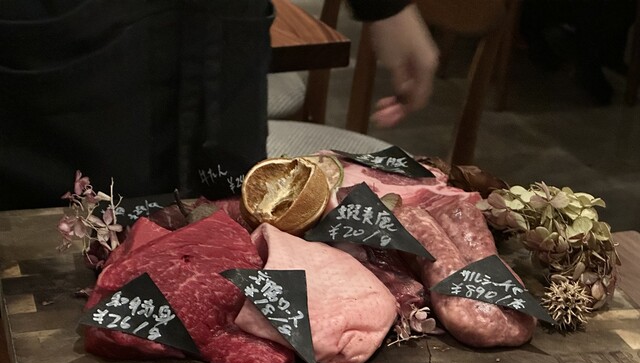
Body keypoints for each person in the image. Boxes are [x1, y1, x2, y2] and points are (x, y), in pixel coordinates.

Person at [0, 0, 438, 211]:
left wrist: (385, 5)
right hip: (66, 45)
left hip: (220, 42)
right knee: (62, 262)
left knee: (229, 237)